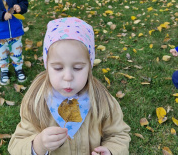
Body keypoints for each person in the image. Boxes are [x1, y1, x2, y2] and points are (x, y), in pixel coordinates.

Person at [8, 17, 131, 155]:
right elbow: (16, 144)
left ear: (89, 67)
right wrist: (38, 144)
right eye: (58, 68)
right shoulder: (35, 101)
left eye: (78, 68)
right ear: (47, 66)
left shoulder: (102, 100)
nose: (68, 77)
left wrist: (111, 151)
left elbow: (119, 135)